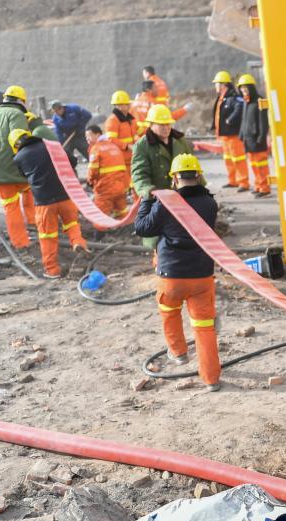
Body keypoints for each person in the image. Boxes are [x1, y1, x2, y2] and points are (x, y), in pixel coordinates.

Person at [133, 153, 221, 392]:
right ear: (198, 175)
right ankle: (211, 379)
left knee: (170, 313)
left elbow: (142, 228)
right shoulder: (210, 203)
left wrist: (147, 201)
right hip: (202, 275)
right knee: (204, 328)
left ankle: (179, 353)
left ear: (174, 178)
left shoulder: (166, 203)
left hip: (171, 275)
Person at [9, 128, 89, 278]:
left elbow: (23, 175)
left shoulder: (19, 157)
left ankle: (52, 271)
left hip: (44, 202)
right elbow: (72, 161)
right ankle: (78, 242)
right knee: (71, 224)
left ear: (15, 145)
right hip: (65, 196)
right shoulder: (51, 145)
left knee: (47, 236)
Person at [131, 104, 195, 249]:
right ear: (151, 125)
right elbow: (139, 174)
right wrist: (148, 190)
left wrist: (201, 190)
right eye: (161, 125)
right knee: (158, 239)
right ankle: (160, 265)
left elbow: (192, 166)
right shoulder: (142, 146)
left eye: (168, 124)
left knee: (185, 234)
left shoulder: (180, 141)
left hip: (182, 197)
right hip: (158, 200)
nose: (166, 127)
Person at [0, 85, 34, 249]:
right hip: (11, 167)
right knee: (21, 197)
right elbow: (19, 141)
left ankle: (26, 231)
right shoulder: (16, 114)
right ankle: (24, 238)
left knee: (19, 197)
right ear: (19, 101)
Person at [212, 71, 248, 191]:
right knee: (228, 159)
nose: (215, 86)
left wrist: (230, 120)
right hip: (225, 136)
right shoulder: (222, 98)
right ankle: (233, 180)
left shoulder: (234, 97)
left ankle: (243, 182)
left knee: (238, 159)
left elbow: (240, 108)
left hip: (234, 135)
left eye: (217, 84)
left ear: (223, 85)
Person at [85, 125, 130, 219]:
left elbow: (93, 171)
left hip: (104, 188)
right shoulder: (113, 146)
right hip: (120, 187)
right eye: (86, 137)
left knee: (101, 216)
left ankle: (100, 233)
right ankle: (126, 229)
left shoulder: (96, 148)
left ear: (98, 135)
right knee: (122, 211)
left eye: (89, 136)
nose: (87, 139)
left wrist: (89, 181)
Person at [237, 73, 270, 198]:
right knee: (254, 165)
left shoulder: (260, 101)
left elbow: (263, 122)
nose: (243, 91)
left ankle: (265, 188)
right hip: (248, 139)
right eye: (242, 89)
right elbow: (244, 120)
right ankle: (258, 186)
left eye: (246, 88)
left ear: (251, 88)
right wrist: (241, 134)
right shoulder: (246, 102)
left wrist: (261, 137)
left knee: (261, 165)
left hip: (257, 140)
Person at [104, 90, 139, 171]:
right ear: (119, 105)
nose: (129, 105)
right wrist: (128, 146)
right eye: (127, 104)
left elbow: (139, 131)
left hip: (132, 158)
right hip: (120, 160)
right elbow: (111, 139)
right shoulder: (112, 120)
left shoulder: (130, 118)